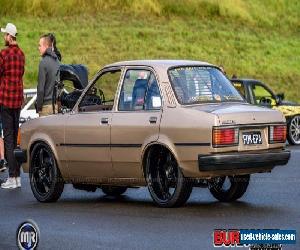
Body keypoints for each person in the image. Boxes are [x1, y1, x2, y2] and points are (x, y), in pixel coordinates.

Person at [0, 23, 25, 189]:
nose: (4, 38)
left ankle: (12, 177)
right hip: (17, 100)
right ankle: (17, 178)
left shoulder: (3, 54)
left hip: (5, 100)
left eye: (5, 35)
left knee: (8, 138)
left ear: (9, 36)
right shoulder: (21, 54)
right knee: (15, 137)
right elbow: (21, 74)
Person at [36, 34, 60, 116]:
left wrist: (38, 107)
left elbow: (40, 89)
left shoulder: (43, 62)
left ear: (46, 46)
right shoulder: (57, 61)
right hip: (55, 106)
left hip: (45, 107)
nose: (38, 48)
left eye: (40, 45)